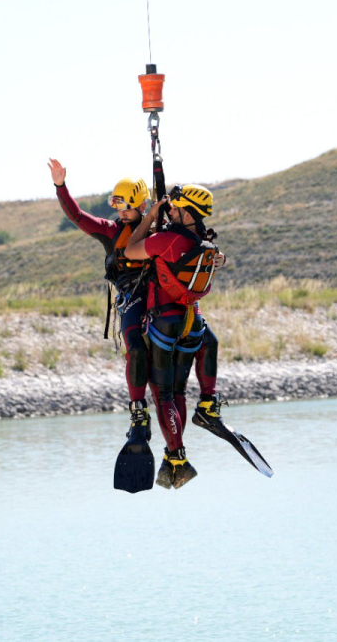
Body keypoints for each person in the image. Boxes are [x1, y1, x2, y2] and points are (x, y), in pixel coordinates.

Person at [48, 159, 153, 443]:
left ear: (143, 205)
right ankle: (138, 411)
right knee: (135, 348)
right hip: (131, 298)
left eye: (126, 207)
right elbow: (77, 216)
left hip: (159, 292)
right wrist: (61, 186)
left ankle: (208, 401)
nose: (121, 213)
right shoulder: (110, 230)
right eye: (118, 207)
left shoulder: (160, 226)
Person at [123, 184, 219, 489]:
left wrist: (150, 216)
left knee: (164, 395)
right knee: (179, 392)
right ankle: (208, 405)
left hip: (164, 325)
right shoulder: (204, 241)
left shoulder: (165, 240)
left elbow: (130, 250)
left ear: (188, 213)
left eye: (176, 208)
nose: (171, 211)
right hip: (193, 323)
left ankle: (177, 457)